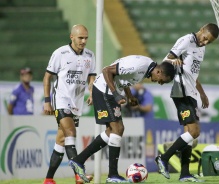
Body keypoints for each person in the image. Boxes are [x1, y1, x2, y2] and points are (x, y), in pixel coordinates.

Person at [69, 55, 176, 183]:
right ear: (159, 72)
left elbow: (124, 79)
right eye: (162, 80)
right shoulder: (140, 66)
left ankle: (78, 161)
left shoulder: (146, 69)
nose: (160, 83)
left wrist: (130, 96)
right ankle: (112, 175)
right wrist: (115, 94)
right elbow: (107, 71)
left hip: (108, 91)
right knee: (118, 128)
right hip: (105, 91)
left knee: (111, 131)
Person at [155, 23, 219, 182]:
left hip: (191, 92)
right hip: (180, 90)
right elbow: (165, 61)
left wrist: (202, 93)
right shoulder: (186, 40)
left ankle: (184, 174)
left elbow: (193, 74)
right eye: (205, 38)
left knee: (189, 134)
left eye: (208, 42)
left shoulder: (201, 49)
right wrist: (174, 60)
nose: (205, 43)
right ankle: (164, 158)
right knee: (195, 132)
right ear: (202, 30)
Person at [42, 24, 96, 184]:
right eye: (80, 37)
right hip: (61, 100)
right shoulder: (60, 53)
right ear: (72, 37)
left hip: (77, 103)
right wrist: (47, 101)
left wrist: (92, 92)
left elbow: (91, 77)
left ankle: (48, 179)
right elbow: (47, 78)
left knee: (61, 141)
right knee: (71, 134)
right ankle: (79, 174)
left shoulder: (90, 56)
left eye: (86, 38)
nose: (84, 41)